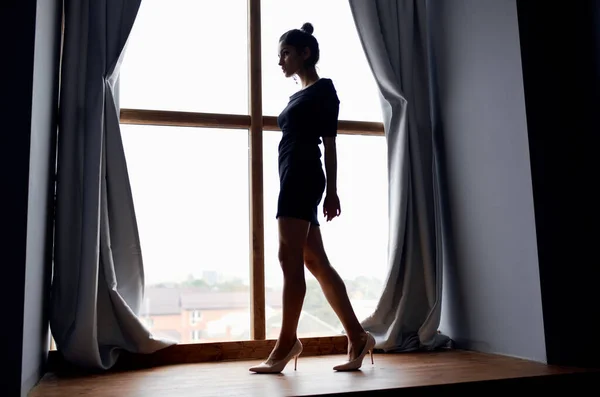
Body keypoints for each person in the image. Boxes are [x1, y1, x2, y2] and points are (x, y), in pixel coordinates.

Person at [249, 22, 376, 374]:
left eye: (285, 54)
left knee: (287, 257)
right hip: (292, 174)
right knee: (315, 260)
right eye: (279, 56)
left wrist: (333, 190)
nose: (280, 62)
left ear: (305, 53)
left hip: (303, 175)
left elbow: (331, 143)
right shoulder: (298, 95)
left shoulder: (324, 91)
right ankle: (357, 335)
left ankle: (286, 343)